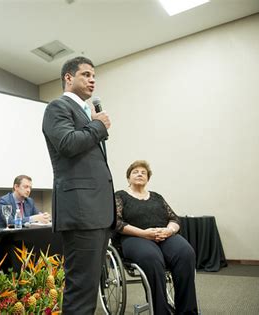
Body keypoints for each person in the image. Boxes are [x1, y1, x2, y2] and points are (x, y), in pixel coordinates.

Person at [42, 56, 115, 314]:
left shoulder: (87, 113)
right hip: (82, 212)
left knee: (89, 287)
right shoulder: (57, 107)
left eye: (94, 75)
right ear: (68, 78)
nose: (92, 79)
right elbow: (68, 144)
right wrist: (99, 126)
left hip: (96, 212)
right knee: (80, 291)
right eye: (85, 74)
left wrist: (94, 123)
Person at [112, 160, 198, 315]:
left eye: (143, 172)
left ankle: (187, 311)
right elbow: (116, 223)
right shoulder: (120, 196)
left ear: (148, 178)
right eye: (135, 172)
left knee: (186, 253)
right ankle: (161, 311)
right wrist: (144, 233)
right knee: (151, 257)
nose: (140, 174)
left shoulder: (157, 197)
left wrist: (169, 231)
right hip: (134, 237)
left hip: (163, 235)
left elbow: (175, 219)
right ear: (128, 177)